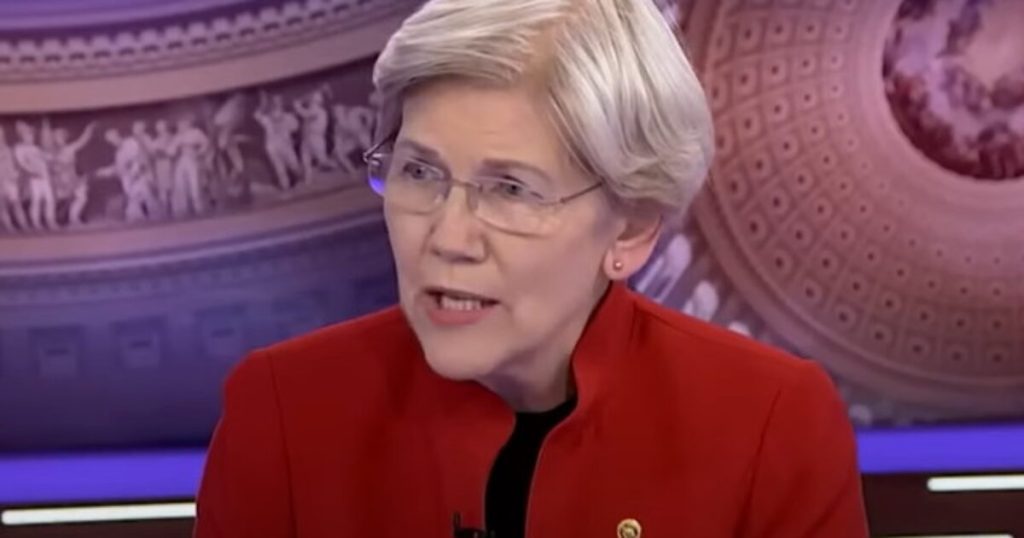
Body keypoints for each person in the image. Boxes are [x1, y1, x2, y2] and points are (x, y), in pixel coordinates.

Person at [194, 0, 869, 537]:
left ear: (631, 229)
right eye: (420, 172)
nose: (448, 238)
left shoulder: (769, 424)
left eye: (511, 190)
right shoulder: (283, 412)